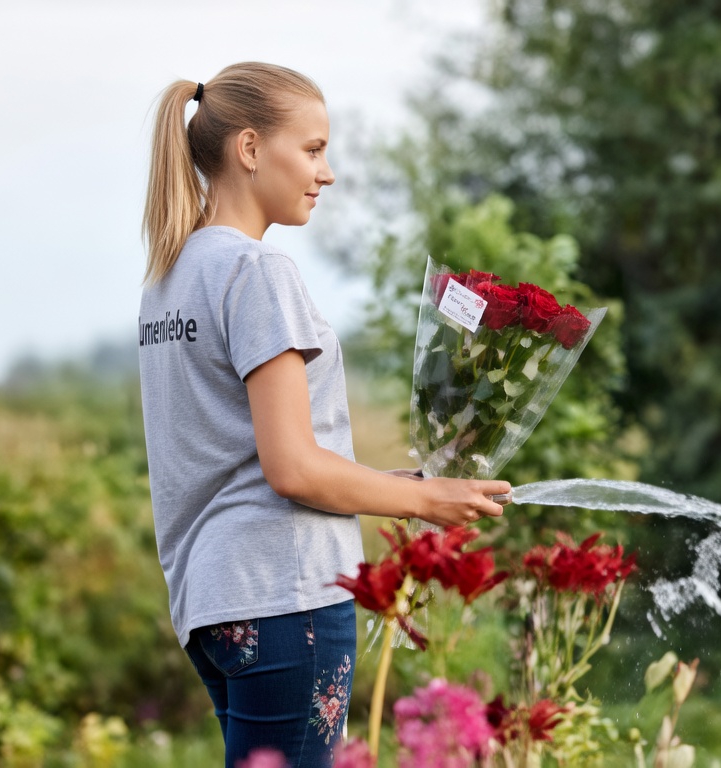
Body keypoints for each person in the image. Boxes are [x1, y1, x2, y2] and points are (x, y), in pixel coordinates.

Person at [138, 61, 510, 767]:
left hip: (213, 603)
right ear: (250, 149)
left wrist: (395, 483)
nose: (327, 173)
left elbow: (242, 459)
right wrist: (426, 499)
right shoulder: (256, 271)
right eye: (312, 150)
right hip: (285, 596)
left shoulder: (169, 278)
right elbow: (292, 469)